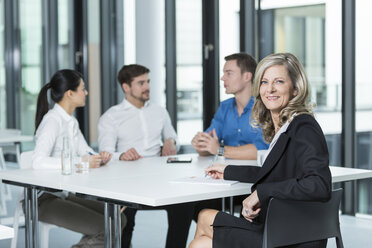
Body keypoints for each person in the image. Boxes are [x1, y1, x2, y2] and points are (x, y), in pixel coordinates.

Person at [189, 53, 332, 248]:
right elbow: (276, 173)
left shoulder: (304, 126)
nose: (270, 89)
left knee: (204, 226)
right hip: (283, 226)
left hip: (292, 235)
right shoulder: (285, 127)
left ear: (296, 89)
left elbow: (319, 185)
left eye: (279, 81)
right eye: (264, 82)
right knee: (203, 233)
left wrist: (260, 193)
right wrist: (228, 171)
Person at [98, 64, 193, 248]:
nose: (147, 86)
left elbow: (172, 136)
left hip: (160, 177)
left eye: (148, 81)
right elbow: (106, 153)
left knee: (184, 204)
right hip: (129, 181)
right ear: (126, 87)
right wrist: (122, 155)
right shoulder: (111, 117)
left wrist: (170, 142)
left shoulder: (159, 111)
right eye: (141, 83)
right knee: (125, 216)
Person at [33, 69, 125, 248]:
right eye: (83, 89)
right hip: (43, 199)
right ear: (69, 94)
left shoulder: (71, 122)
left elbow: (87, 152)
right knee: (104, 226)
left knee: (118, 218)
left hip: (64, 194)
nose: (86, 93)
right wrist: (80, 162)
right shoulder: (53, 121)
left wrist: (101, 157)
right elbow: (38, 161)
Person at [192, 53, 268, 160]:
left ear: (247, 76)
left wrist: (220, 150)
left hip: (256, 172)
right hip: (225, 171)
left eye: (229, 73)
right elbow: (208, 145)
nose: (222, 78)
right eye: (224, 73)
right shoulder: (225, 107)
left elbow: (262, 150)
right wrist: (200, 143)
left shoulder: (264, 107)